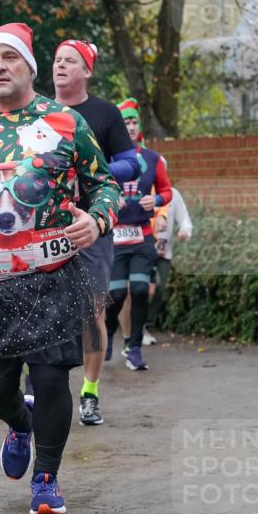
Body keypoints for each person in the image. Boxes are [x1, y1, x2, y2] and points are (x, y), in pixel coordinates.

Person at [0, 22, 119, 514]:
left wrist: (95, 222)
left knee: (52, 381)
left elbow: (105, 185)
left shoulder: (65, 122)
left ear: (28, 67)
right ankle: (17, 423)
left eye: (9, 58)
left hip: (51, 274)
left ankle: (47, 479)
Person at [53, 39, 139, 426]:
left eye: (70, 61)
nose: (60, 66)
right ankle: (37, 387)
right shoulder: (37, 111)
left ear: (86, 70)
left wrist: (94, 171)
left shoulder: (103, 113)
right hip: (41, 228)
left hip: (91, 227)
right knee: (37, 308)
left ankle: (89, 393)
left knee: (91, 311)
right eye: (56, 60)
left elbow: (131, 163)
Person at [105, 139, 172, 371]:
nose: (130, 127)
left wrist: (155, 200)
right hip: (116, 238)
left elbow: (166, 190)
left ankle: (134, 348)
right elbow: (90, 187)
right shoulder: (107, 156)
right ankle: (109, 331)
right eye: (126, 122)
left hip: (143, 236)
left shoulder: (152, 158)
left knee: (142, 289)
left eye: (134, 121)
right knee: (116, 293)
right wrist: (111, 199)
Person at [146, 186, 193, 331]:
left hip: (163, 252)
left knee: (159, 289)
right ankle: (136, 327)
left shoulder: (173, 195)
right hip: (142, 250)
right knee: (144, 288)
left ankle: (145, 324)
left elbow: (185, 220)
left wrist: (184, 231)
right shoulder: (140, 189)